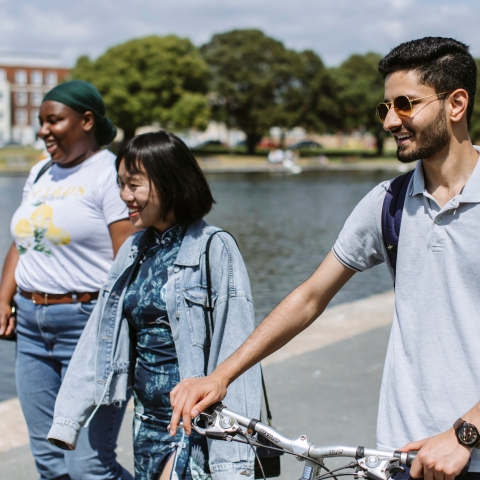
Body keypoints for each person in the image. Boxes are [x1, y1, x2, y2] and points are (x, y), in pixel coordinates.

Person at [169, 37, 480, 480]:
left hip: (467, 449)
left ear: (456, 104)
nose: (391, 120)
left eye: (406, 105)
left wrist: (465, 433)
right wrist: (221, 376)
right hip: (399, 457)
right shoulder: (388, 202)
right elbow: (311, 296)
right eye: (385, 108)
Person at [47, 131, 261, 480]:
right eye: (120, 184)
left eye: (134, 185)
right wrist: (69, 417)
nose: (124, 196)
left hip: (196, 424)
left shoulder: (213, 247)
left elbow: (235, 345)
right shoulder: (134, 249)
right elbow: (97, 336)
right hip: (146, 423)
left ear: (170, 183)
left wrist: (233, 457)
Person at [0, 80, 135, 480]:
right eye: (41, 122)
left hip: (89, 326)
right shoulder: (40, 171)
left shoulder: (110, 173)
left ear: (87, 120)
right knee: (50, 463)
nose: (42, 130)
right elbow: (22, 243)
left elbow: (126, 255)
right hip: (30, 324)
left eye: (53, 121)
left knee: (90, 467)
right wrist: (3, 299)